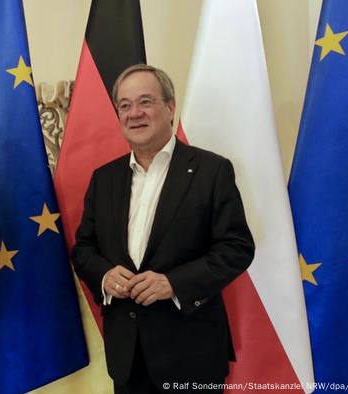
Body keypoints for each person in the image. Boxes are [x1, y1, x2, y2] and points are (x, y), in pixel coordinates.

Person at [72, 64, 255, 393]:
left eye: (145, 101)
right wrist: (104, 276)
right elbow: (84, 248)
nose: (134, 113)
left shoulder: (211, 171)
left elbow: (236, 248)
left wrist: (173, 283)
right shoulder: (104, 179)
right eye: (125, 105)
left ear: (170, 107)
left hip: (191, 354)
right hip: (127, 357)